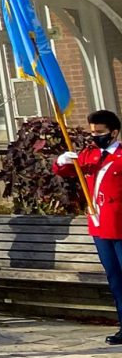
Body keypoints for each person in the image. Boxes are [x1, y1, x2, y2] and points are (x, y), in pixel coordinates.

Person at [54, 109, 122, 347]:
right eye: (93, 132)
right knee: (115, 279)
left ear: (113, 132)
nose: (95, 136)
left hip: (120, 225)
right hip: (100, 226)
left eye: (100, 132)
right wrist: (61, 162)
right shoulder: (90, 155)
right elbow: (66, 171)